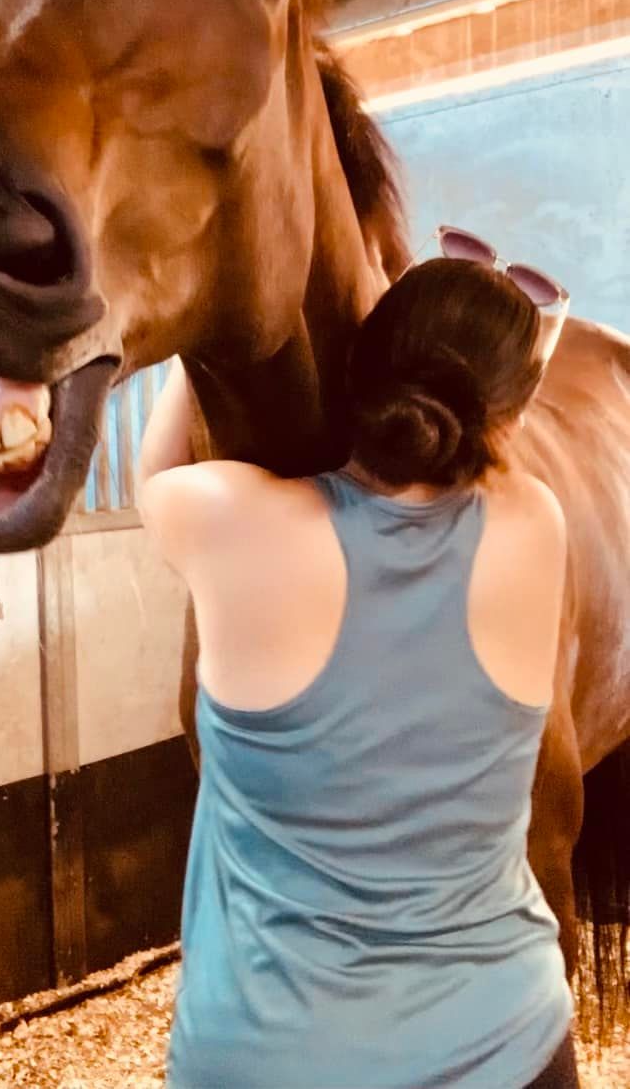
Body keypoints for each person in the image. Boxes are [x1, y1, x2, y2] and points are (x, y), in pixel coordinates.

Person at [138, 227, 577, 1089]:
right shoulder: (538, 526)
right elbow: (492, 458)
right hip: (508, 1043)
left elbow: (161, 466)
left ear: (357, 372)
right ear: (506, 416)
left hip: (268, 1062)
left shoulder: (229, 521)